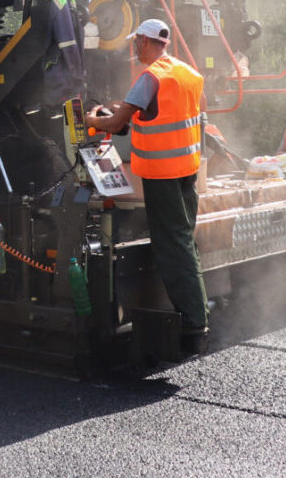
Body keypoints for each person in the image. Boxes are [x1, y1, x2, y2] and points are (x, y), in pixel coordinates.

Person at [85, 19, 209, 352]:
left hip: (163, 176)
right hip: (187, 173)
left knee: (172, 247)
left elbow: (115, 124)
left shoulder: (149, 78)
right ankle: (198, 311)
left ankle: (194, 326)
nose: (134, 49)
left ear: (143, 41)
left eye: (135, 43)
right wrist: (123, 110)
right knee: (184, 240)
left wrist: (91, 119)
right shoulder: (186, 73)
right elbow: (160, 115)